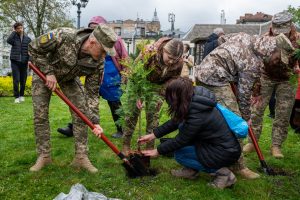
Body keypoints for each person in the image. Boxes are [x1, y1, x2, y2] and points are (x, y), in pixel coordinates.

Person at [195, 32, 294, 179]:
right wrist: (246, 117)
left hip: (204, 72)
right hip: (215, 79)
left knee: (218, 120)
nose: (277, 61)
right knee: (236, 123)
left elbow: (222, 39)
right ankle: (239, 166)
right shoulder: (252, 63)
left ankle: (211, 155)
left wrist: (228, 62)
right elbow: (243, 94)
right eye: (278, 58)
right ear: (272, 49)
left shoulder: (245, 36)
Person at [28, 24, 117, 173]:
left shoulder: (98, 63)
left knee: (81, 113)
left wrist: (95, 122)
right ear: (92, 42)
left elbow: (92, 93)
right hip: (43, 74)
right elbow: (33, 47)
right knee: (40, 115)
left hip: (69, 79)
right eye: (103, 51)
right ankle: (44, 156)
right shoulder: (64, 36)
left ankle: (81, 157)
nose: (104, 56)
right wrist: (48, 72)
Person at [139, 78, 241, 189]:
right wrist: (153, 135)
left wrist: (157, 151)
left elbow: (181, 140)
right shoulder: (194, 100)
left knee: (180, 154)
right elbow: (176, 121)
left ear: (177, 95)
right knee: (182, 149)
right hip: (216, 145)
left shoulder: (197, 114)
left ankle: (224, 174)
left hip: (223, 152)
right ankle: (191, 170)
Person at [57, 16, 128, 139]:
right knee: (84, 102)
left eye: (95, 27)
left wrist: (125, 75)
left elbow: (124, 58)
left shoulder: (116, 41)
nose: (92, 31)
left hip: (110, 77)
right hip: (93, 74)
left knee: (114, 102)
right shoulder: (88, 42)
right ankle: (73, 128)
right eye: (91, 28)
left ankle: (121, 129)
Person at [243, 11, 299, 158]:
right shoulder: (264, 38)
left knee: (283, 113)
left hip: (287, 79)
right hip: (265, 77)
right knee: (256, 110)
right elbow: (255, 58)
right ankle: (252, 142)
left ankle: (276, 146)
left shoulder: (298, 39)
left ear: (290, 26)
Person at [122, 37, 184, 155]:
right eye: (169, 58)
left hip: (158, 88)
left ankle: (149, 148)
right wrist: (137, 94)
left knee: (153, 117)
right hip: (139, 83)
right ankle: (126, 144)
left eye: (174, 60)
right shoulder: (150, 52)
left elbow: (173, 79)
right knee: (132, 115)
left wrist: (161, 94)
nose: (171, 62)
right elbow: (135, 71)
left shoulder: (178, 63)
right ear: (164, 50)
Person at [7, 22, 31, 103]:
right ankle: (16, 97)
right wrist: (14, 32)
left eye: (21, 28)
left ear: (23, 28)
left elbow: (30, 51)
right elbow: (8, 41)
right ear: (15, 29)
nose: (20, 29)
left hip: (24, 62)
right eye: (18, 28)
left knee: (23, 80)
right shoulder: (14, 38)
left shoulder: (28, 39)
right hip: (15, 61)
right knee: (16, 80)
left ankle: (21, 95)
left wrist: (30, 60)